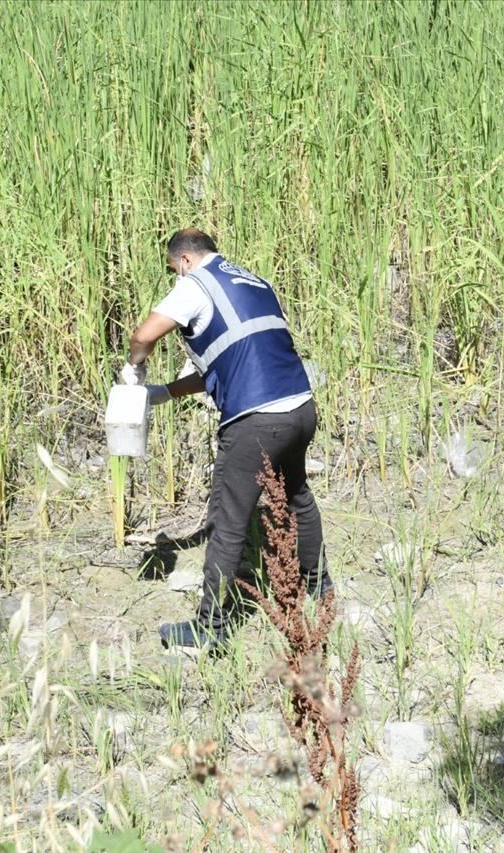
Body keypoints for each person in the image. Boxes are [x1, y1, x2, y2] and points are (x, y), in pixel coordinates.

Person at [120, 228, 330, 651]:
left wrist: (134, 371)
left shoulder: (195, 283)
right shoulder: (253, 282)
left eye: (171, 270)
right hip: (300, 408)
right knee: (297, 497)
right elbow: (237, 357)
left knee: (228, 520)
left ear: (185, 260)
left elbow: (143, 336)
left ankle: (209, 629)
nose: (174, 278)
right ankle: (321, 591)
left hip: (256, 419)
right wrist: (165, 393)